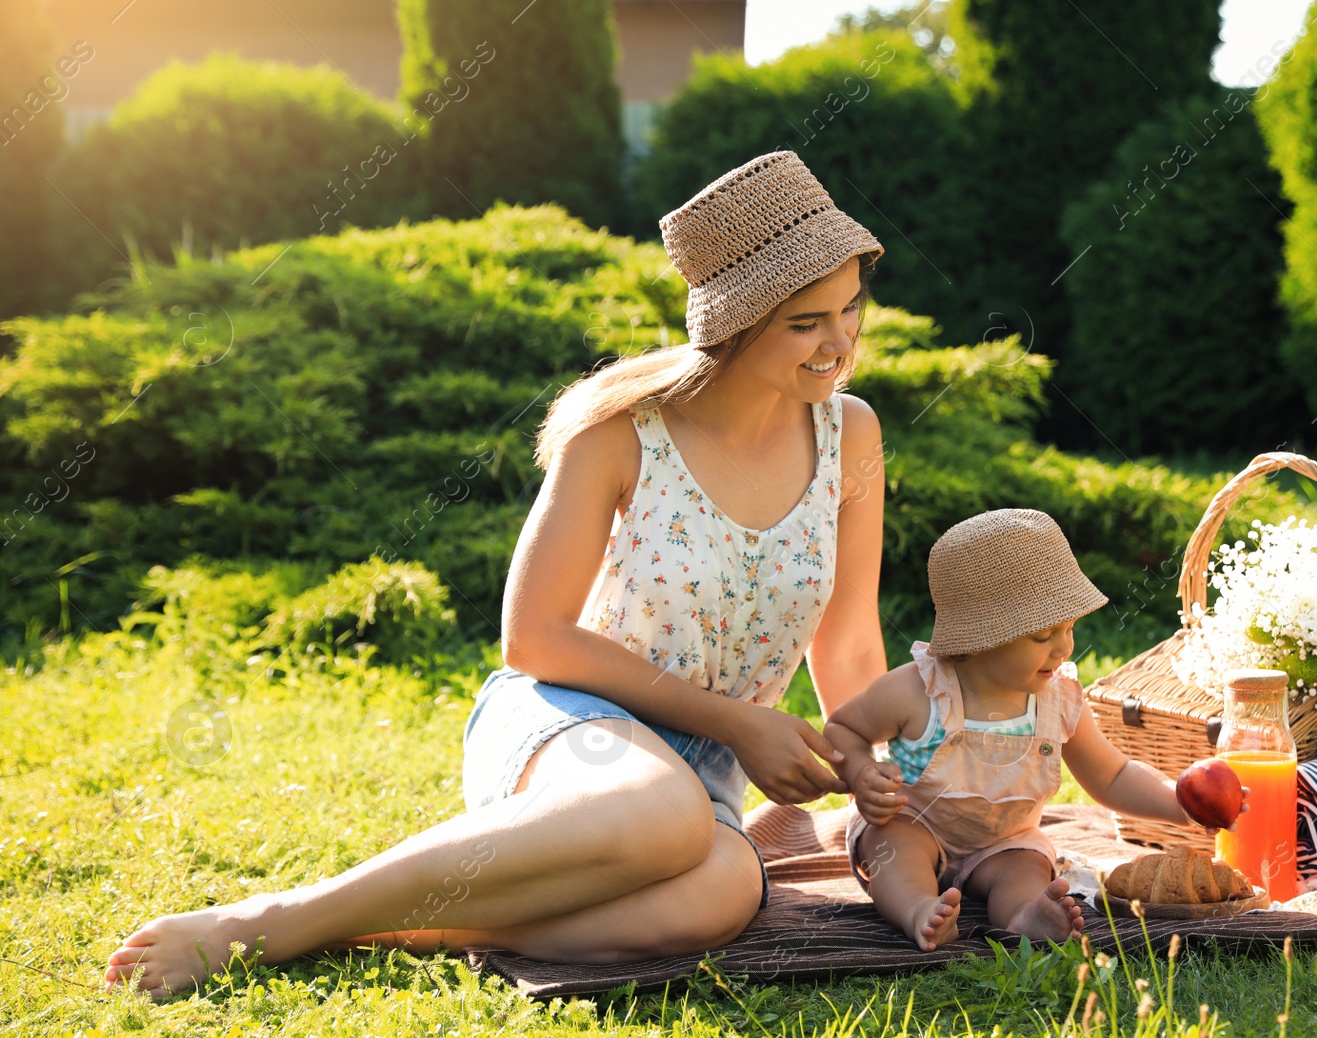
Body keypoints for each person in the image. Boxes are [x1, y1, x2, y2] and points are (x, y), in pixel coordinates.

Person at [105, 150, 893, 994]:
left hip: (702, 779)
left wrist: (881, 772)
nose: (840, 343)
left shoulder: (850, 433)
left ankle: (368, 928)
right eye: (806, 321)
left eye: (850, 307)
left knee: (729, 889)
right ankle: (273, 921)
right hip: (571, 722)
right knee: (661, 813)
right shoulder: (620, 434)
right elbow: (534, 638)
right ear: (736, 321)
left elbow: (846, 637)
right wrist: (736, 722)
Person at [825, 509, 1218, 951]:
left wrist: (1178, 803)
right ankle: (918, 909)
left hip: (1002, 842)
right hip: (917, 822)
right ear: (979, 637)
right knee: (892, 846)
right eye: (1044, 635)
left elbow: (1112, 775)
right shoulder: (918, 690)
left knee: (1027, 865)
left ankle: (1024, 915)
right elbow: (842, 728)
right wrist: (861, 774)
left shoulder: (1058, 699)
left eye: (1069, 629)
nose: (1065, 647)